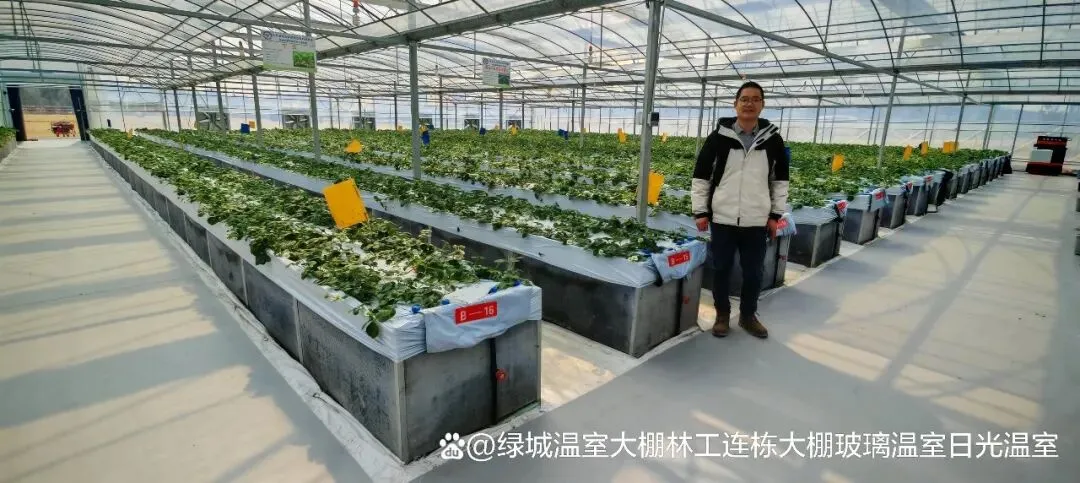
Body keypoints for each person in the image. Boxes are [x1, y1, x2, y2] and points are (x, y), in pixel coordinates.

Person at [691, 81, 789, 339]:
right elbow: (701, 177)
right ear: (735, 104)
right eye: (744, 99)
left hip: (756, 220)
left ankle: (748, 316)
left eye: (755, 99)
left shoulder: (773, 140)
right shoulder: (718, 138)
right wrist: (700, 212)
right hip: (722, 218)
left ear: (762, 105)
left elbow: (780, 181)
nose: (749, 103)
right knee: (721, 269)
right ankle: (722, 315)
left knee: (754, 272)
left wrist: (775, 216)